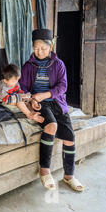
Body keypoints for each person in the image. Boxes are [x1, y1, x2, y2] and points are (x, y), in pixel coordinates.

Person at [19, 29, 84, 192]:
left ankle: (69, 176)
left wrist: (45, 94)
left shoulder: (58, 64)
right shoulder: (28, 66)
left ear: (50, 47)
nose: (39, 51)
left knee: (70, 137)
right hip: (41, 105)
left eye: (43, 48)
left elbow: (63, 86)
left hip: (57, 102)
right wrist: (32, 101)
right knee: (51, 125)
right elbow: (22, 89)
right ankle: (45, 171)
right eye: (36, 48)